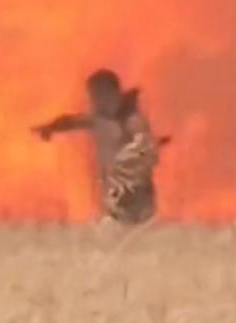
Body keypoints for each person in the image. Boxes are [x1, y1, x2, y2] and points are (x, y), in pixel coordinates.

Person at [31, 69, 169, 225]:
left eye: (96, 95)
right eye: (92, 96)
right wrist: (50, 128)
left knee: (130, 230)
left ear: (111, 93)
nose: (93, 101)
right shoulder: (101, 119)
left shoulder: (131, 120)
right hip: (114, 192)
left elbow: (143, 144)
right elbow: (73, 121)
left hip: (135, 192)